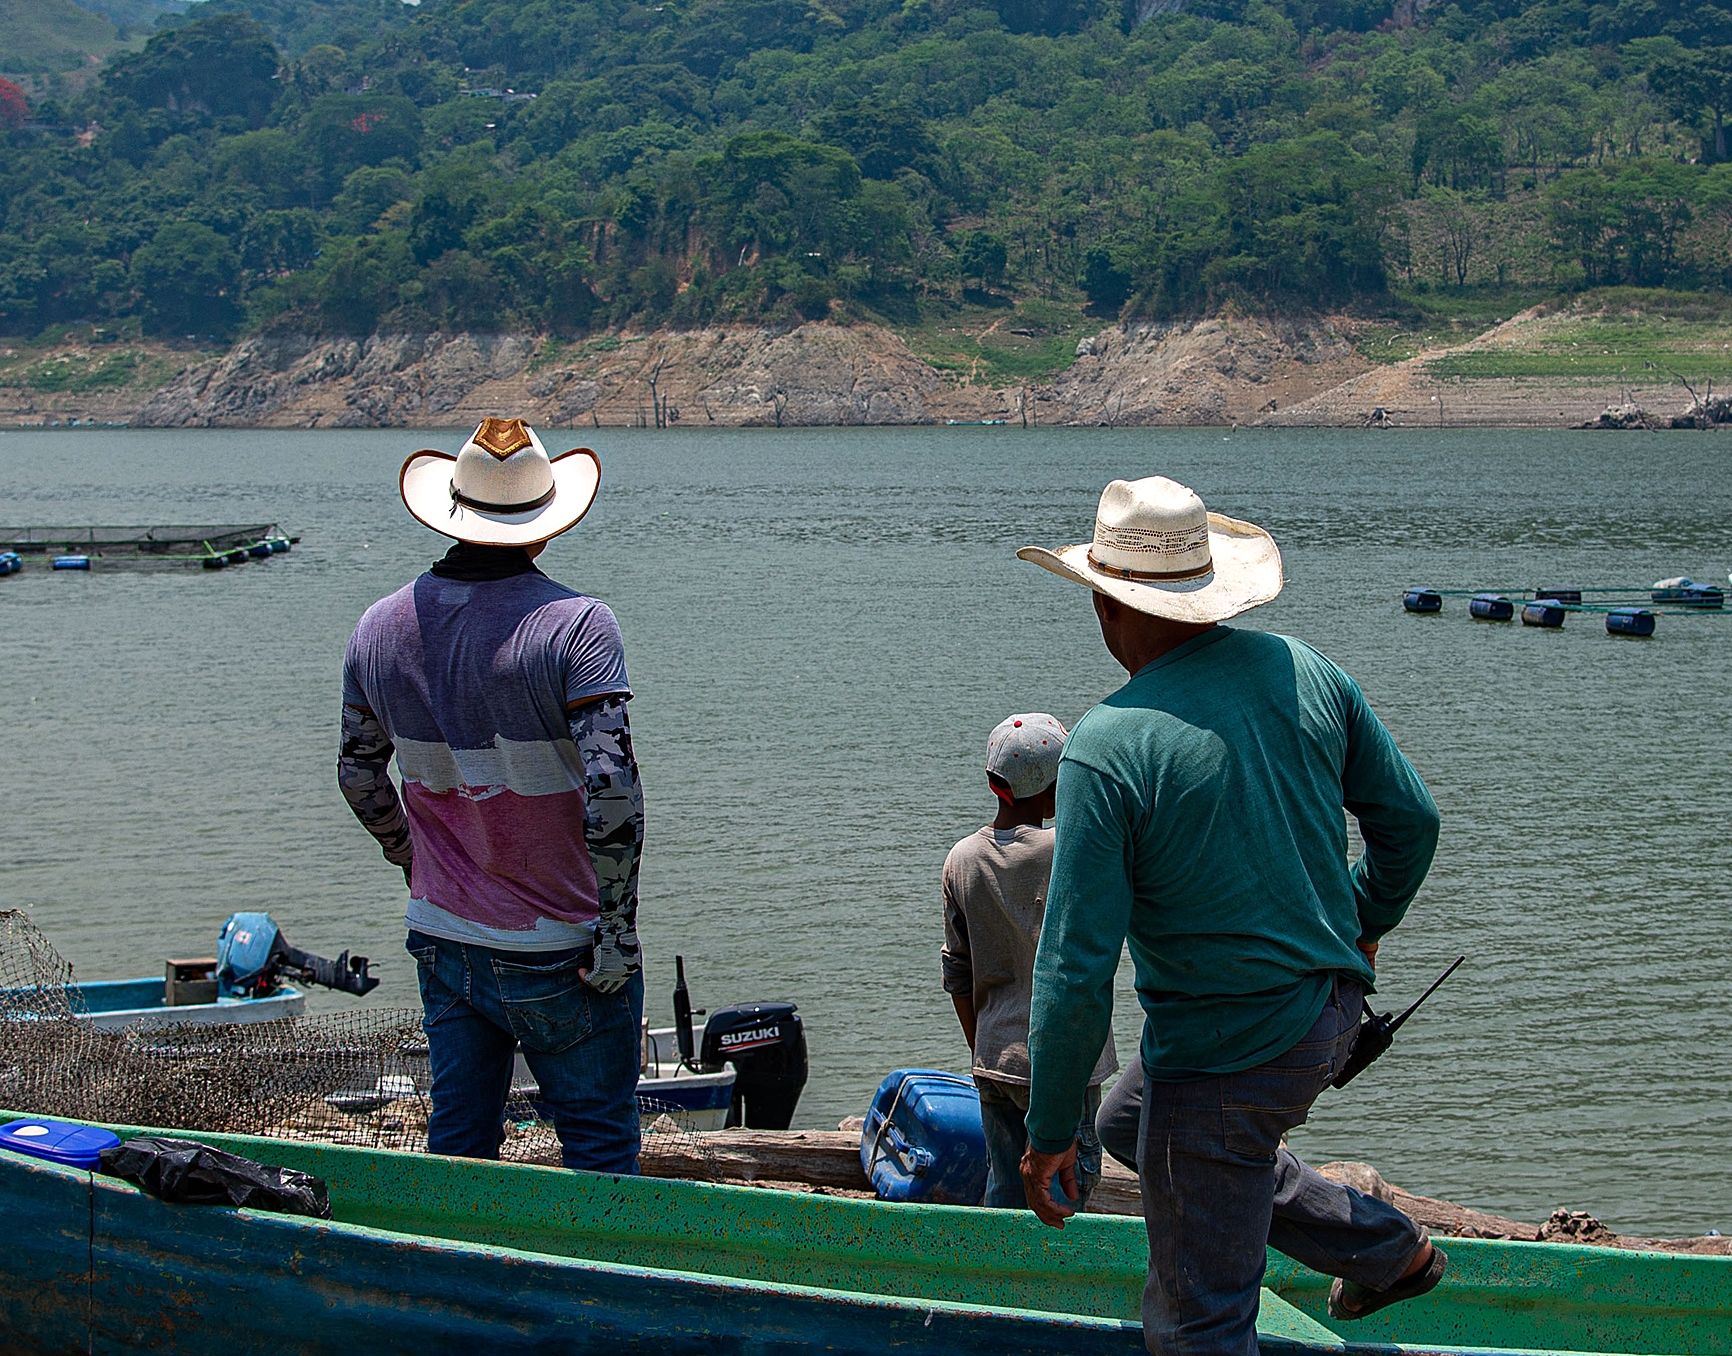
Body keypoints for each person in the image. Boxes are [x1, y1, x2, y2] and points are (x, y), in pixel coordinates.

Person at [1013, 476, 1446, 1356]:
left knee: (1195, 1324)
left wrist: (1046, 1132)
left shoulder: (1107, 746)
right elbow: (1412, 822)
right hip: (1328, 1015)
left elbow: (1074, 968)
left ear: (1106, 603)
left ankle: (1359, 1249)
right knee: (1129, 1120)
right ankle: (1387, 1252)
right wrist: (1363, 922)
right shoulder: (1305, 667)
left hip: (1228, 1058)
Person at [337, 417, 645, 1174]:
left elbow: (358, 775)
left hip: (443, 937)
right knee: (600, 1148)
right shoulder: (576, 627)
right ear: (544, 528)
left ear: (452, 508)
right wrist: (616, 930)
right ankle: (592, 1291)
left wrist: (411, 858)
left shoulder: (377, 629)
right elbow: (612, 791)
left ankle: (456, 1279)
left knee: (460, 1144)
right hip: (561, 946)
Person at [941, 714, 1116, 1210]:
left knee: (1004, 1183)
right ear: (1049, 792)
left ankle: (997, 1280)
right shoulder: (1068, 851)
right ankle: (1053, 1281)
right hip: (1066, 1063)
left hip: (994, 1060)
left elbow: (957, 972)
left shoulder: (961, 859)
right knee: (1067, 1191)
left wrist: (983, 1050)